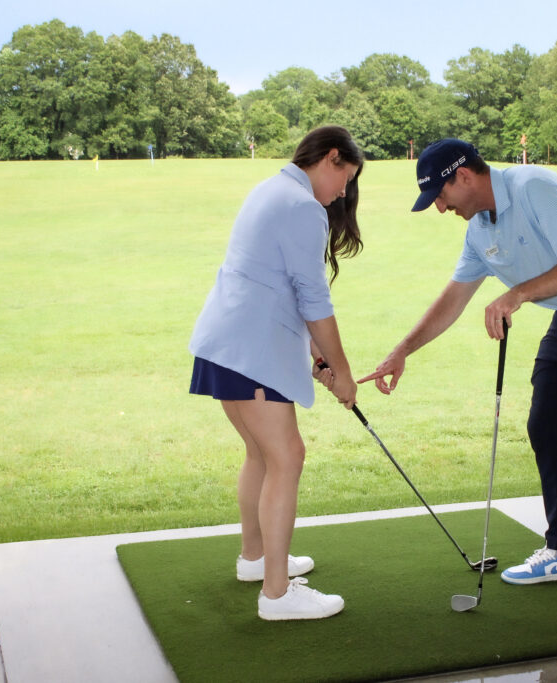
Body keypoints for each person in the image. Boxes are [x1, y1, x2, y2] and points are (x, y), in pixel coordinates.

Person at [359, 138, 557, 610]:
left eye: (441, 195)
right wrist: (402, 352)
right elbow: (453, 299)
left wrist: (517, 294)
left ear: (464, 176)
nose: (440, 208)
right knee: (545, 426)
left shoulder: (533, 187)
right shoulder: (478, 231)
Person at [188, 125, 362, 620]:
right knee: (287, 456)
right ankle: (278, 594)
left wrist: (318, 355)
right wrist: (343, 372)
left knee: (262, 454)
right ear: (330, 158)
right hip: (252, 348)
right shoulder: (303, 205)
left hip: (227, 341)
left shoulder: (271, 188)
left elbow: (276, 284)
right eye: (346, 178)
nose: (343, 193)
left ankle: (257, 559)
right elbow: (313, 298)